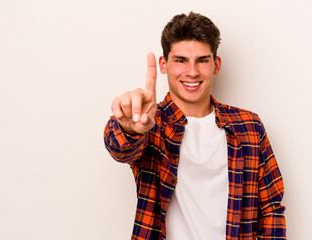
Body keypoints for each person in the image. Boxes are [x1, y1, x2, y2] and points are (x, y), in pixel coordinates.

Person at [104, 12, 286, 240]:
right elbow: (120, 147)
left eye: (202, 60)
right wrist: (129, 128)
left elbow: (271, 208)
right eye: (180, 60)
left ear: (216, 65)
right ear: (163, 64)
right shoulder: (150, 123)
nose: (192, 71)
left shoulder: (248, 126)